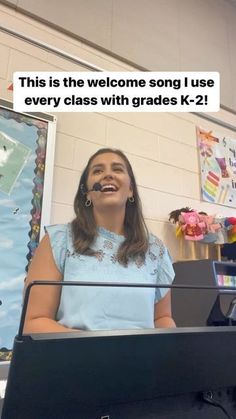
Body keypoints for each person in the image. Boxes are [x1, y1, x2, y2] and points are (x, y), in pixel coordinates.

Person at [24, 148, 176, 333]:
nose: (108, 175)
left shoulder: (156, 250)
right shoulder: (58, 241)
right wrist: (100, 349)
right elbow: (34, 322)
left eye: (117, 169)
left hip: (141, 360)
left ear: (130, 190)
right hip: (76, 359)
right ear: (87, 193)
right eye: (98, 171)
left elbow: (162, 318)